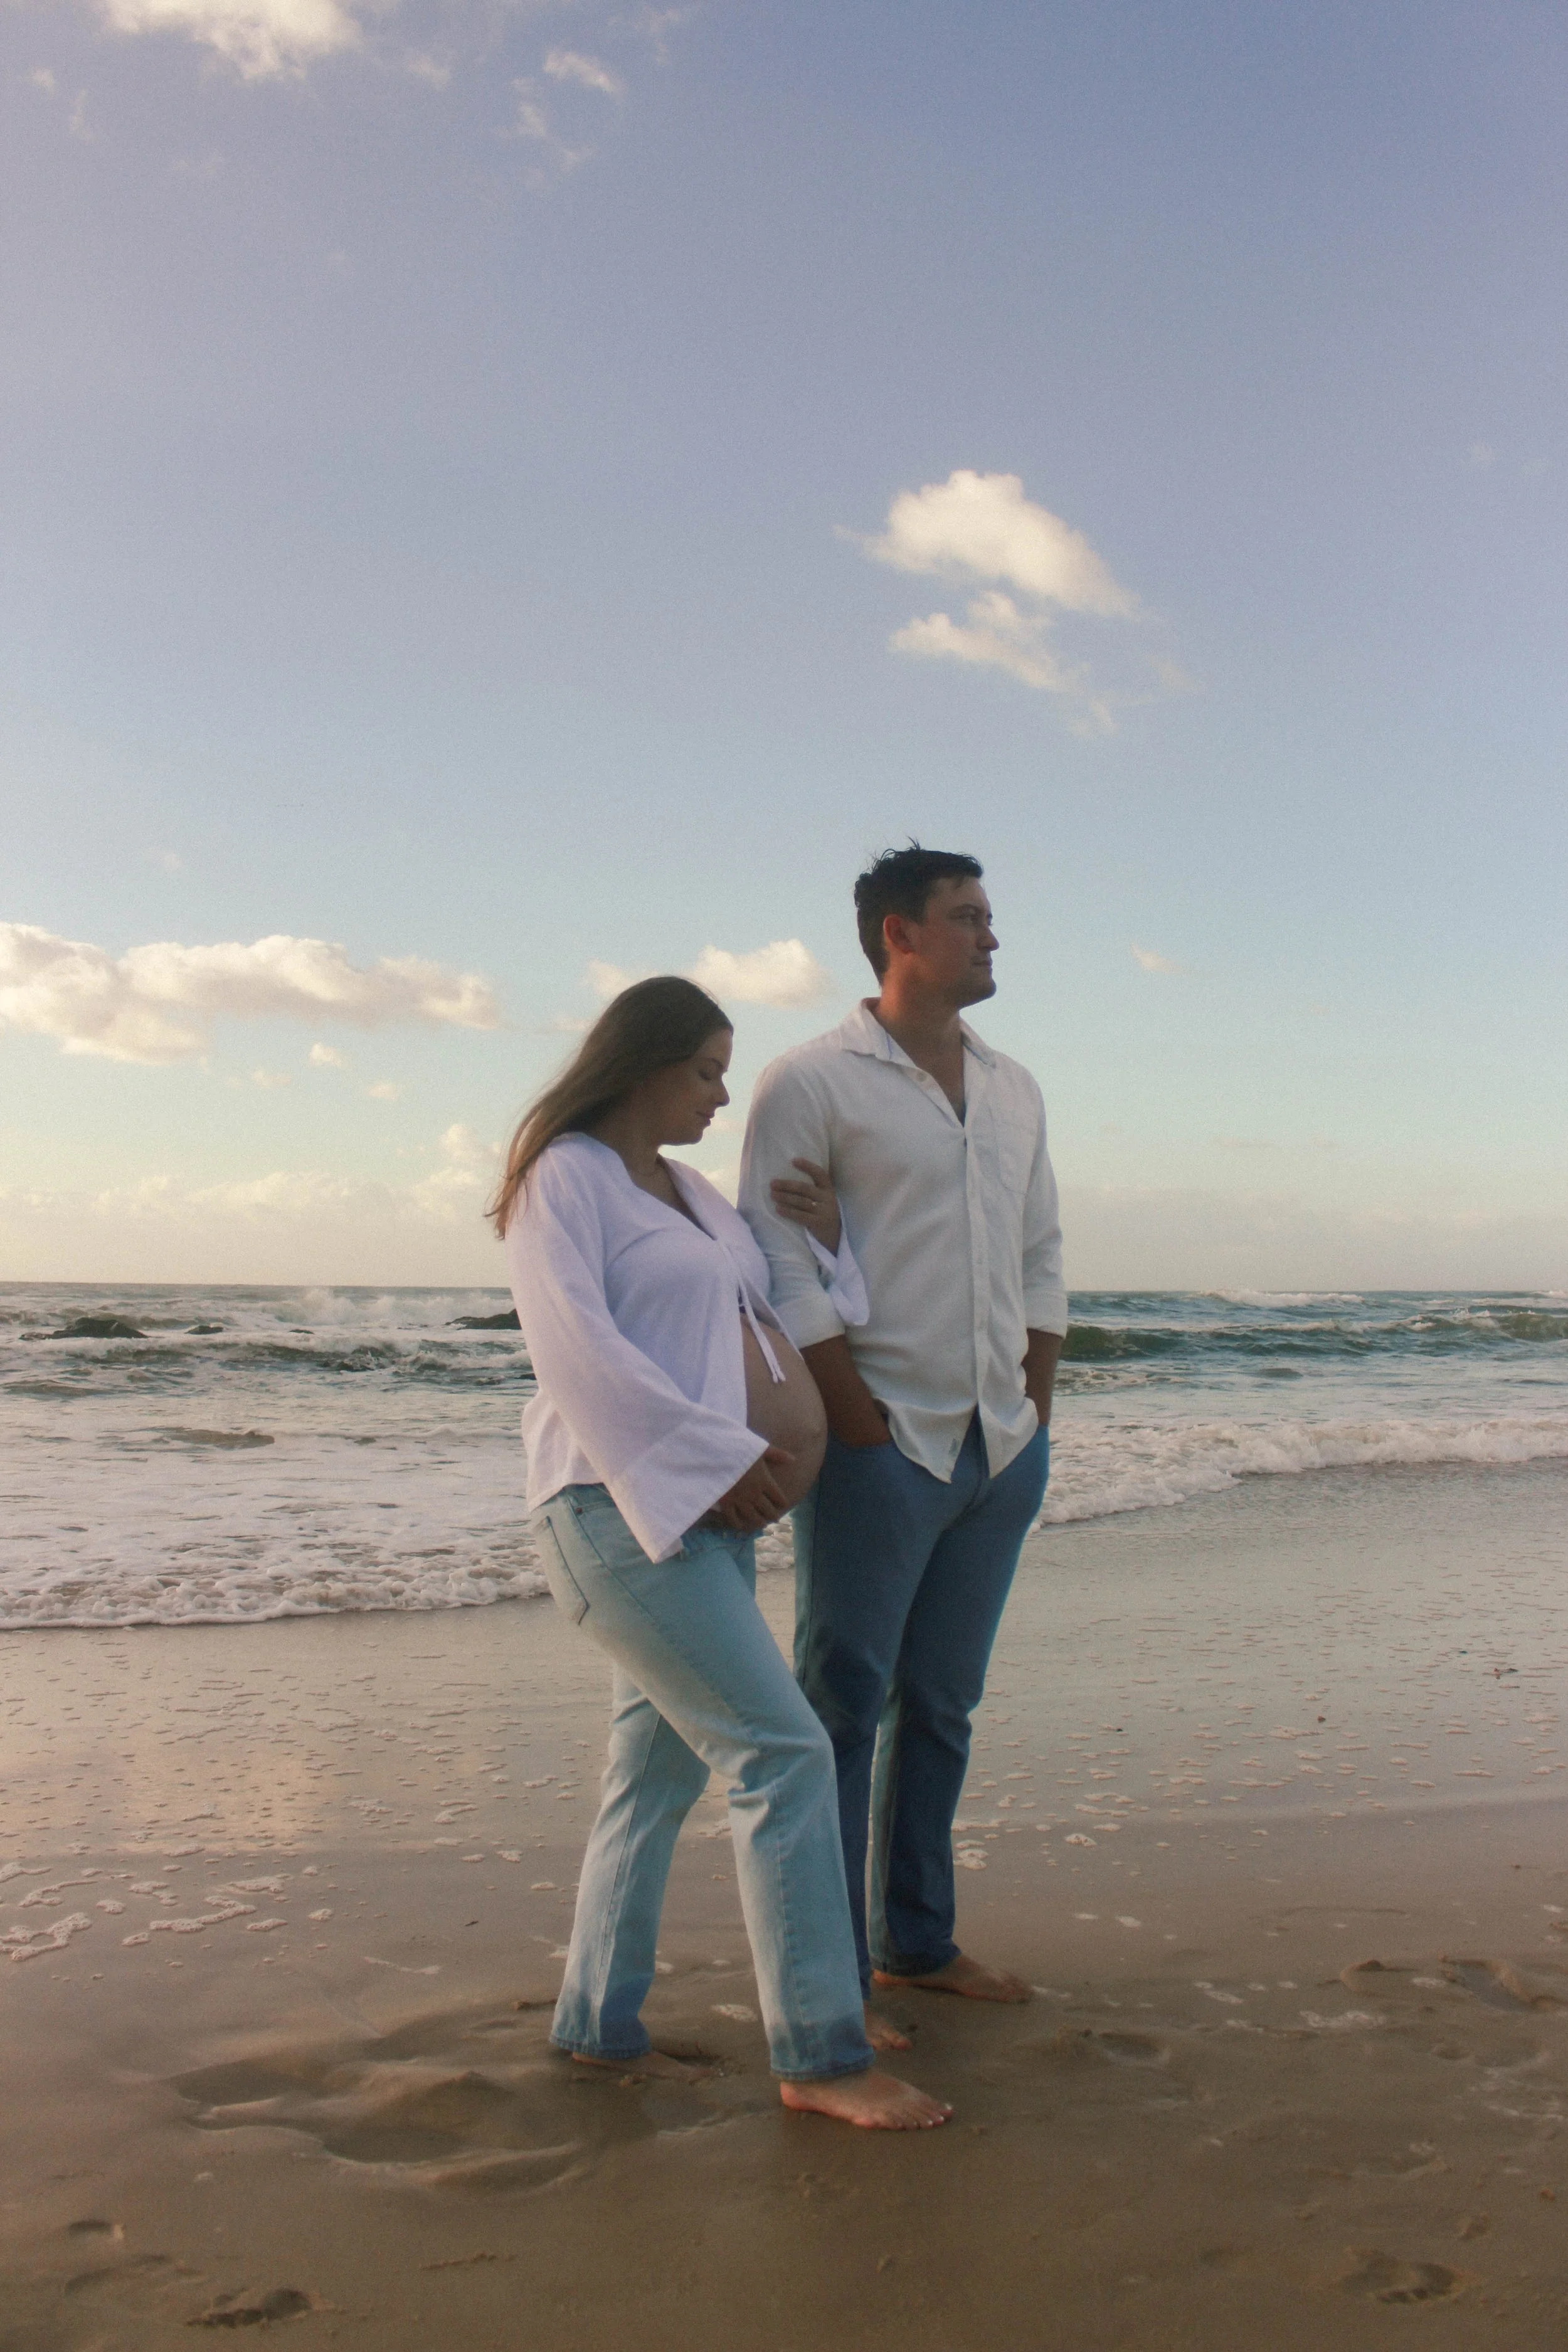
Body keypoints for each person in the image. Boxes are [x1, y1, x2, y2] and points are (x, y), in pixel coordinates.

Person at [492, 975, 950, 2131]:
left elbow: (778, 1309)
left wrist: (832, 1246)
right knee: (783, 1753)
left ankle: (596, 2025)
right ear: (641, 1064)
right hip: (615, 1511)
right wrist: (709, 1458)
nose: (720, 1095)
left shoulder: (692, 1196)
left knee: (653, 1777)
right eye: (704, 1071)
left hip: (708, 1517)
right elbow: (577, 1353)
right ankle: (821, 2054)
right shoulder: (564, 1179)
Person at [738, 847, 1067, 2018]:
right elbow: (778, 1263)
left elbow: (1040, 1254)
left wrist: (1034, 1411)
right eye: (968, 916)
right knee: (839, 1706)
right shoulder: (810, 1081)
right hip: (881, 1446)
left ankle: (917, 1942)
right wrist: (855, 1422)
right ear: (899, 934)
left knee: (941, 1707)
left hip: (997, 1448)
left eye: (990, 915)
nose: (991, 936)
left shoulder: (1015, 1086)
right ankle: (829, 1975)